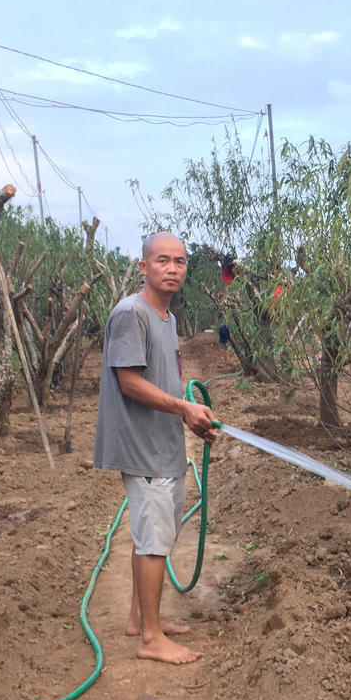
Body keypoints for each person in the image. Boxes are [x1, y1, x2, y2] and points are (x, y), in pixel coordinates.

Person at [94, 232, 218, 665]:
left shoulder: (166, 318)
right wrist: (183, 406)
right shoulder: (132, 314)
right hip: (142, 446)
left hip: (161, 441)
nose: (172, 268)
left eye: (180, 262)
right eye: (163, 260)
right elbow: (129, 382)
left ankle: (139, 619)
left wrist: (190, 416)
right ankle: (149, 638)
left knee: (152, 535)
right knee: (153, 541)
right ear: (143, 266)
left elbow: (162, 381)